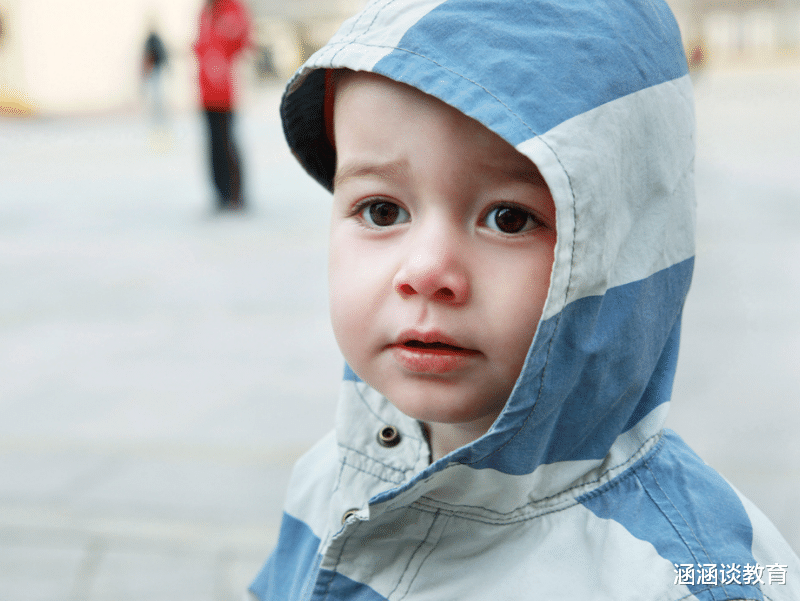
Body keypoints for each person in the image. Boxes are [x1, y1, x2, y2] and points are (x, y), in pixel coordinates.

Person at [249, 0, 800, 599]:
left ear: (624, 251)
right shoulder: (329, 478)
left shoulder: (691, 576)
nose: (426, 272)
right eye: (382, 210)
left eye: (509, 218)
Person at [193, 0, 250, 211]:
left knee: (227, 141)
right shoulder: (206, 10)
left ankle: (235, 194)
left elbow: (242, 40)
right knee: (213, 144)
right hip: (206, 90)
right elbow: (200, 44)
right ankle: (219, 193)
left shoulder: (232, 8)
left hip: (225, 90)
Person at [142, 25, 168, 124]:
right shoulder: (151, 40)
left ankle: (158, 110)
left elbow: (161, 53)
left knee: (157, 90)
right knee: (155, 90)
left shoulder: (154, 40)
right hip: (153, 68)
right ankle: (156, 110)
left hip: (156, 67)